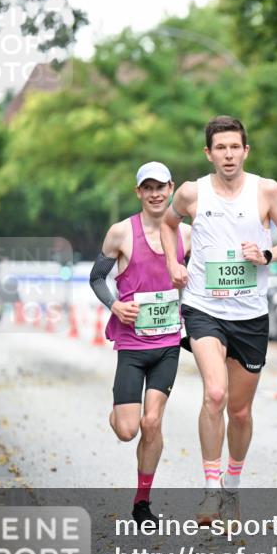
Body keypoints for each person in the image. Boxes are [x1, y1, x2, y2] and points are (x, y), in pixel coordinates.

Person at [160, 115, 277, 525]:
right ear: (208, 153)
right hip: (204, 308)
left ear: (245, 150)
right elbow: (170, 225)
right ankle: (209, 492)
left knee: (239, 411)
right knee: (215, 394)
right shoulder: (191, 193)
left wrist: (268, 254)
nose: (227, 154)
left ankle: (232, 488)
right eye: (220, 148)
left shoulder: (266, 190)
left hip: (250, 314)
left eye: (234, 147)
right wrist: (174, 262)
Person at [90, 161, 192, 526]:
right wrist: (115, 304)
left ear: (171, 188)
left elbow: (194, 284)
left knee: (152, 423)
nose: (155, 194)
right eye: (147, 188)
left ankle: (143, 503)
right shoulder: (120, 233)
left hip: (167, 344)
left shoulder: (187, 235)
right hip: (132, 346)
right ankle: (118, 410)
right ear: (138, 192)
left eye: (161, 187)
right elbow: (97, 278)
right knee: (127, 430)